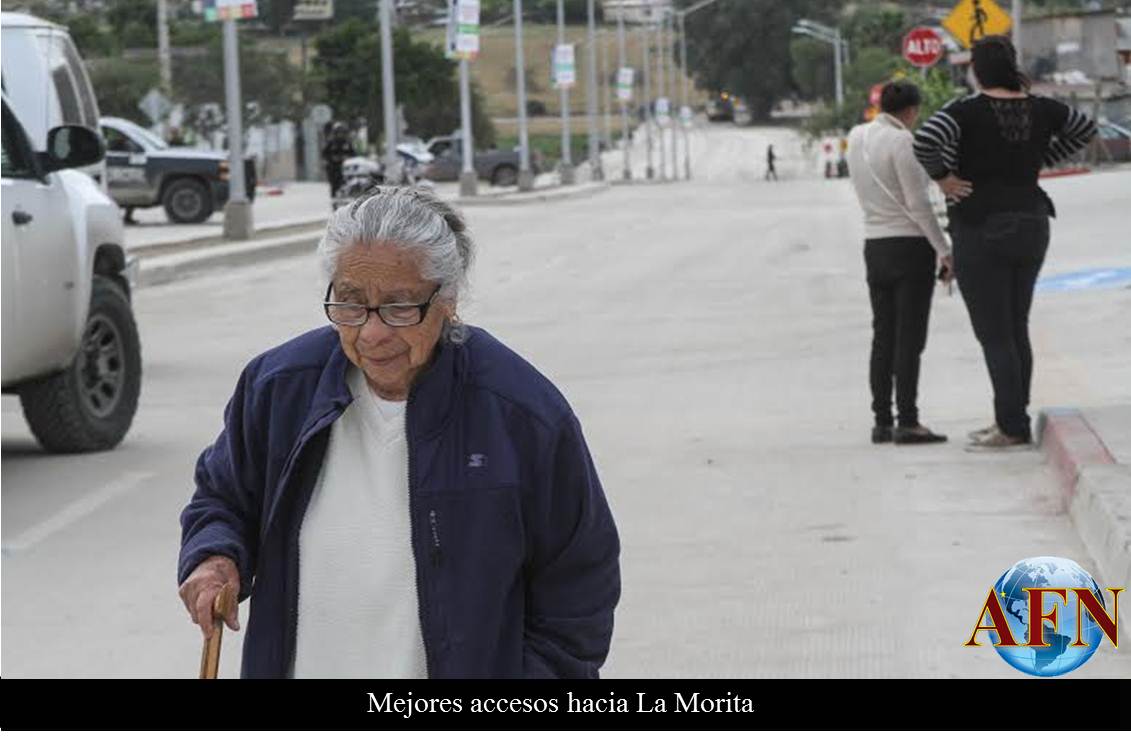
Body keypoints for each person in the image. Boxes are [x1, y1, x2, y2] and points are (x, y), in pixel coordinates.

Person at [177, 186, 621, 678]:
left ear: (447, 300)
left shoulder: (520, 414)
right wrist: (215, 555)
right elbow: (223, 498)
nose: (372, 333)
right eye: (350, 304)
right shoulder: (279, 390)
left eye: (400, 307)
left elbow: (579, 584)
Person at [914, 35, 1096, 451]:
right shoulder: (1042, 107)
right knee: (1016, 326)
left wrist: (943, 177)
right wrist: (1040, 160)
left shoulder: (962, 112)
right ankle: (1012, 415)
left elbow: (924, 141)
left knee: (994, 333)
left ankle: (1011, 427)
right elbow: (1086, 129)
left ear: (975, 70)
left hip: (981, 225)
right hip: (1032, 220)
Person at [846, 80, 952, 445]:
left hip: (875, 246)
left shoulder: (857, 136)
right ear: (910, 111)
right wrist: (944, 249)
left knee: (883, 336)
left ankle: (881, 421)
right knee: (909, 338)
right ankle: (908, 420)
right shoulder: (903, 141)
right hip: (909, 248)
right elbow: (918, 203)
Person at [321, 122, 356, 199]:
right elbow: (324, 154)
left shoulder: (347, 143)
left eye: (342, 133)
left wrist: (347, 158)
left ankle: (346, 197)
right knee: (334, 185)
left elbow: (353, 155)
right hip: (333, 168)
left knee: (347, 183)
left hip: (346, 169)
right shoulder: (331, 143)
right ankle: (334, 199)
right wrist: (332, 158)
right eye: (338, 133)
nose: (340, 135)